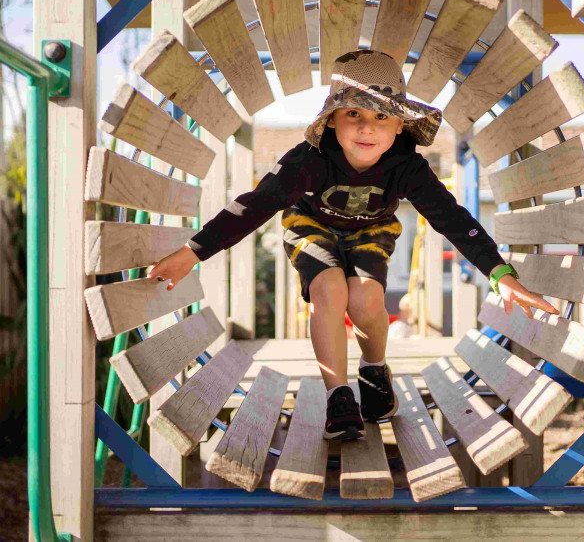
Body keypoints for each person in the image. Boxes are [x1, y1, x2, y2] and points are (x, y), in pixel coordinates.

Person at [148, 49, 558, 441]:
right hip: (311, 226)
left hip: (371, 231)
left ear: (400, 124)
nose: (367, 127)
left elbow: (453, 219)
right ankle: (338, 396)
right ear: (331, 121)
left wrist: (499, 273)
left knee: (363, 301)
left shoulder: (407, 167)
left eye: (381, 116)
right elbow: (256, 205)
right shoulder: (308, 159)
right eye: (353, 114)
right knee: (329, 290)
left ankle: (374, 368)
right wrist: (193, 252)